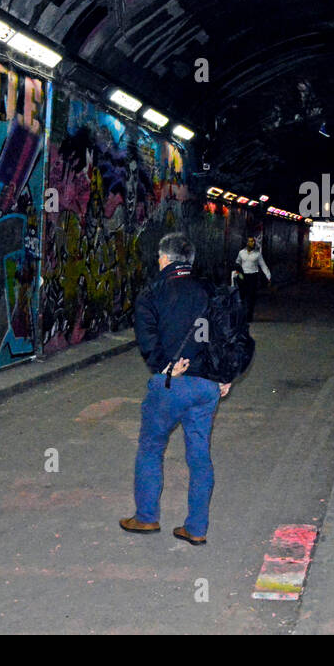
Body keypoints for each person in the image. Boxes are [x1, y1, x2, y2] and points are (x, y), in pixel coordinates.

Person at [121, 232, 231, 546]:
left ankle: (146, 517)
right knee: (199, 456)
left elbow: (147, 338)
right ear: (190, 261)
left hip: (171, 383)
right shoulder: (211, 291)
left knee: (151, 448)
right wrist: (225, 373)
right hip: (206, 385)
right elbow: (228, 333)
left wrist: (164, 365)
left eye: (159, 257)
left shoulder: (152, 293)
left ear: (165, 259)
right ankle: (196, 528)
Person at [234, 236, 271, 322]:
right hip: (243, 276)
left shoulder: (257, 254)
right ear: (247, 243)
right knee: (242, 297)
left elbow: (263, 265)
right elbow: (237, 262)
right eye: (250, 241)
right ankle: (242, 315)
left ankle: (249, 316)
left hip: (253, 276)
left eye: (253, 241)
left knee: (251, 297)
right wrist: (238, 271)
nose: (252, 243)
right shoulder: (241, 253)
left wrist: (268, 276)